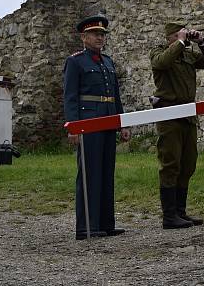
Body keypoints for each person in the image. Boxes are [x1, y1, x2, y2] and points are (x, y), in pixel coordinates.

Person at [63, 15, 131, 240]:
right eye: (95, 34)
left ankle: (105, 223)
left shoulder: (108, 62)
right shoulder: (76, 62)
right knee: (90, 173)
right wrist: (73, 127)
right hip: (89, 122)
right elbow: (70, 97)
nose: (99, 38)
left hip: (109, 120)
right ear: (84, 37)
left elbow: (115, 95)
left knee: (106, 172)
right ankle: (87, 226)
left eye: (102, 34)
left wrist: (123, 122)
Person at [150, 20, 204, 229]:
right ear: (170, 37)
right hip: (169, 114)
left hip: (188, 115)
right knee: (170, 163)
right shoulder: (159, 52)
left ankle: (180, 212)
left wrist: (202, 42)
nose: (183, 38)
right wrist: (180, 43)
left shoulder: (188, 54)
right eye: (179, 35)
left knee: (188, 163)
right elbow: (162, 63)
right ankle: (169, 216)